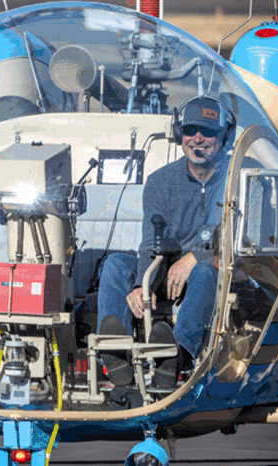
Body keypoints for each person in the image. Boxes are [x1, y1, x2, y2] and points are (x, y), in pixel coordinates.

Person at [96, 95, 231, 387]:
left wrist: (198, 256)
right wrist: (140, 285)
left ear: (224, 137)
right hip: (166, 270)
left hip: (216, 273)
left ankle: (176, 357)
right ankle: (113, 353)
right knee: (116, 265)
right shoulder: (160, 182)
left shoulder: (239, 177)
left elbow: (246, 233)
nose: (197, 138)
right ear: (178, 135)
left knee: (208, 271)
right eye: (190, 130)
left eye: (207, 131)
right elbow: (151, 241)